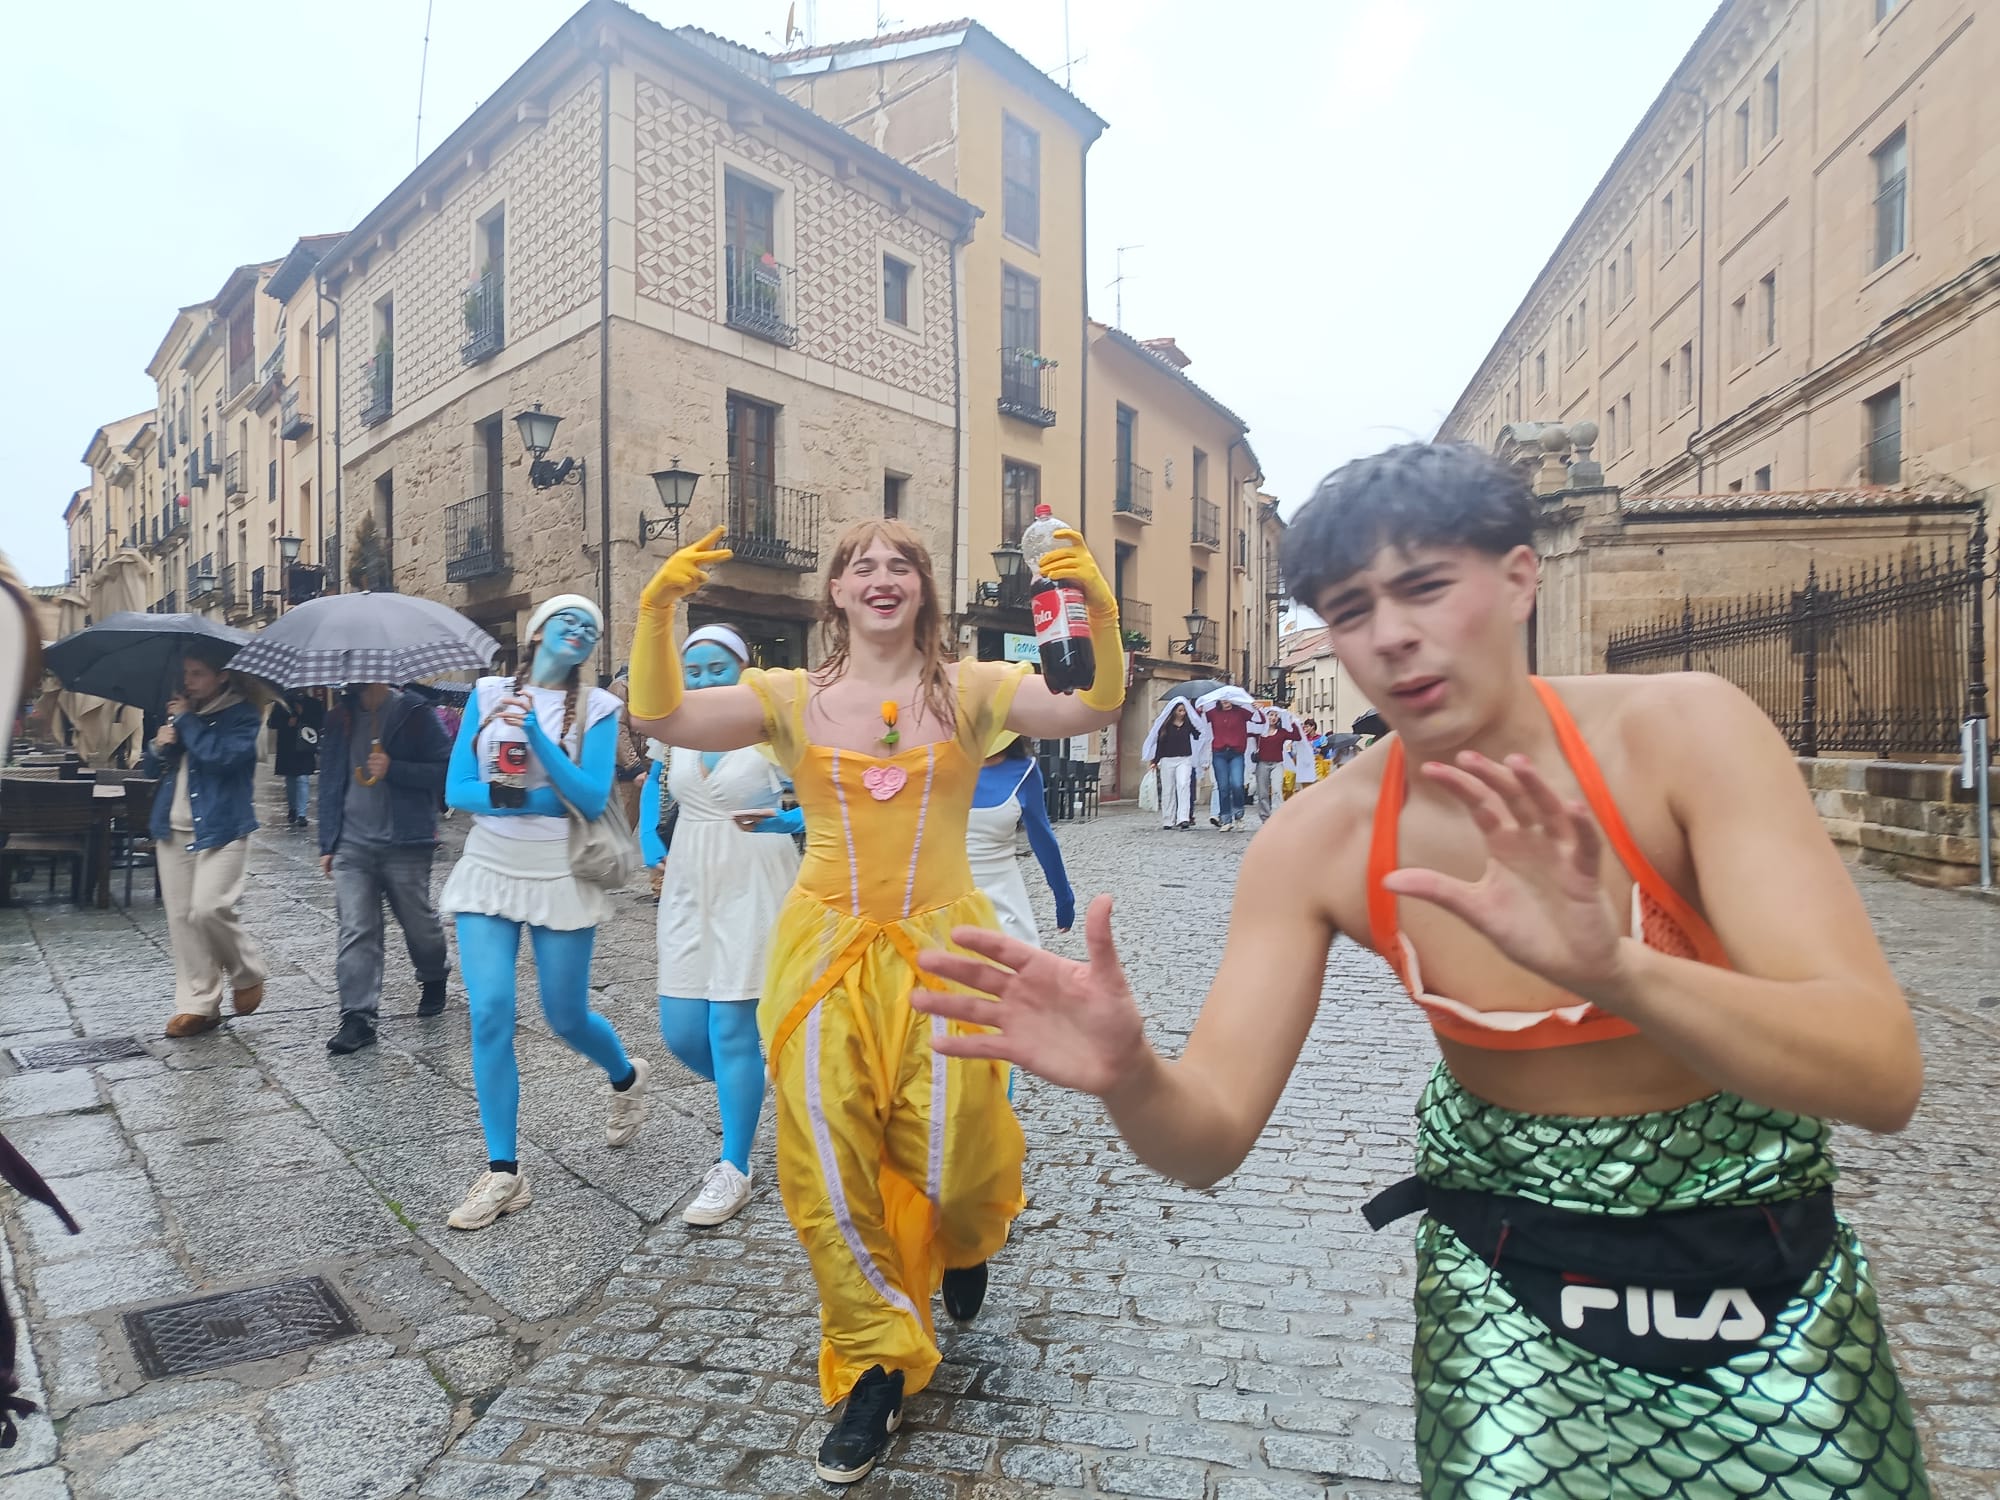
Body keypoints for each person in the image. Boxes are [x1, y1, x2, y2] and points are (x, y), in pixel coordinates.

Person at [913, 441, 1930, 1500]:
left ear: (1518, 578)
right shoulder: (1318, 843)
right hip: (1510, 1286)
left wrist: (1616, 970)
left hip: (1768, 1266)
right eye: (1349, 610)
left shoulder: (1680, 732)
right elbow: (1206, 1139)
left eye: (1426, 587)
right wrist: (1131, 1076)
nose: (1390, 635)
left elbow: (1876, 1075)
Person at [627, 518, 1122, 1484]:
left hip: (944, 951)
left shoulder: (976, 689)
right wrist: (657, 612)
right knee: (826, 1162)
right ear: (838, 596)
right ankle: (875, 1366)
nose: (882, 576)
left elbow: (1093, 709)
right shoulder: (786, 696)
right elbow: (665, 719)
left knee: (960, 1158)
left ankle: (969, 1236)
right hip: (822, 956)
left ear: (924, 590)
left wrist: (1095, 610)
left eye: (900, 564)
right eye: (861, 565)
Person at [438, 595, 652, 1232]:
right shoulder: (489, 692)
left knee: (564, 1014)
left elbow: (589, 796)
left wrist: (533, 734)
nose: (581, 631)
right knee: (490, 1011)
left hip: (561, 873)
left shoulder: (601, 709)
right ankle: (504, 1171)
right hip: (489, 868)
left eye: (591, 627)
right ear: (536, 633)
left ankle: (624, 1075)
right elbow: (457, 789)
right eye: (568, 621)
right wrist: (524, 796)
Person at [654, 624, 803, 1228]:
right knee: (682, 1031)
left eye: (718, 669)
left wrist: (789, 821)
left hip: (755, 876)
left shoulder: (771, 729)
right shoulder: (683, 730)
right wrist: (645, 836)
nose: (705, 681)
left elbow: (820, 796)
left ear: (744, 671)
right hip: (691, 880)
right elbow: (662, 791)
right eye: (694, 671)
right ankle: (767, 1092)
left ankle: (734, 1166)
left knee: (730, 1024)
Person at [319, 681, 454, 1054]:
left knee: (418, 921)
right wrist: (328, 841)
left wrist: (394, 768)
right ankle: (357, 1016)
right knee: (356, 927)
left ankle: (433, 975)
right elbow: (331, 781)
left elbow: (445, 769)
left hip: (405, 840)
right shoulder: (339, 717)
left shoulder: (415, 713)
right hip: (352, 844)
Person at [143, 645, 270, 1039]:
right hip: (173, 826)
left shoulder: (243, 716)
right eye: (187, 673)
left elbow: (222, 759)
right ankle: (199, 1004)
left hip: (223, 827)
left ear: (222, 677)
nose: (188, 681)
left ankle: (248, 972)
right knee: (182, 919)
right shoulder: (182, 716)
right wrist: (158, 744)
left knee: (209, 908)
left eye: (197, 673)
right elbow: (151, 769)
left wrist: (186, 723)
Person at [969, 734, 1074, 946]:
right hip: (948, 902)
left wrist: (1064, 899)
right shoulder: (942, 765)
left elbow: (1043, 840)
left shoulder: (1025, 771)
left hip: (1004, 900)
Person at [1198, 686, 1257, 830]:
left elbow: (1259, 720)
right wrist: (1199, 710)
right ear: (1219, 699)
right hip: (1219, 753)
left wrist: (1256, 708)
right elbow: (1198, 721)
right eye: (1223, 698)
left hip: (1236, 752)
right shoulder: (1213, 713)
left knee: (1237, 784)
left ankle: (1238, 815)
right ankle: (1225, 819)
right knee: (1223, 787)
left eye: (1228, 698)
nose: (1226, 701)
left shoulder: (1241, 712)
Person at [1143, 699, 1205, 831]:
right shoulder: (1165, 726)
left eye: (1184, 710)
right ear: (1174, 711)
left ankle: (1183, 818)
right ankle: (1168, 819)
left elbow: (1198, 734)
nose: (1182, 713)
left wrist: (1199, 720)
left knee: (1183, 785)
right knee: (1168, 789)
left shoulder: (1188, 723)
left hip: (1184, 759)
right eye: (1180, 710)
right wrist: (1155, 761)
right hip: (1167, 759)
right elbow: (1160, 744)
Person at [268, 690, 324, 828]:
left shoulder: (313, 703)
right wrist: (288, 722)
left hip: (305, 747)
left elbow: (320, 722)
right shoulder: (282, 703)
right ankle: (293, 808)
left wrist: (302, 715)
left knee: (303, 779)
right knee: (291, 779)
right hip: (288, 747)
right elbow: (271, 723)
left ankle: (302, 814)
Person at [1250, 704, 1300, 821]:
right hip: (1262, 764)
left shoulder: (1281, 732)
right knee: (1263, 792)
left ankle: (1278, 816)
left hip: (1277, 764)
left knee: (1277, 790)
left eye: (1276, 716)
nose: (1273, 718)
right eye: (1271, 715)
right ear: (1266, 716)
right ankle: (1265, 816)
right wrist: (1256, 711)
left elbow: (1296, 736)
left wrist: (1292, 722)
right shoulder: (1259, 732)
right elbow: (1248, 727)